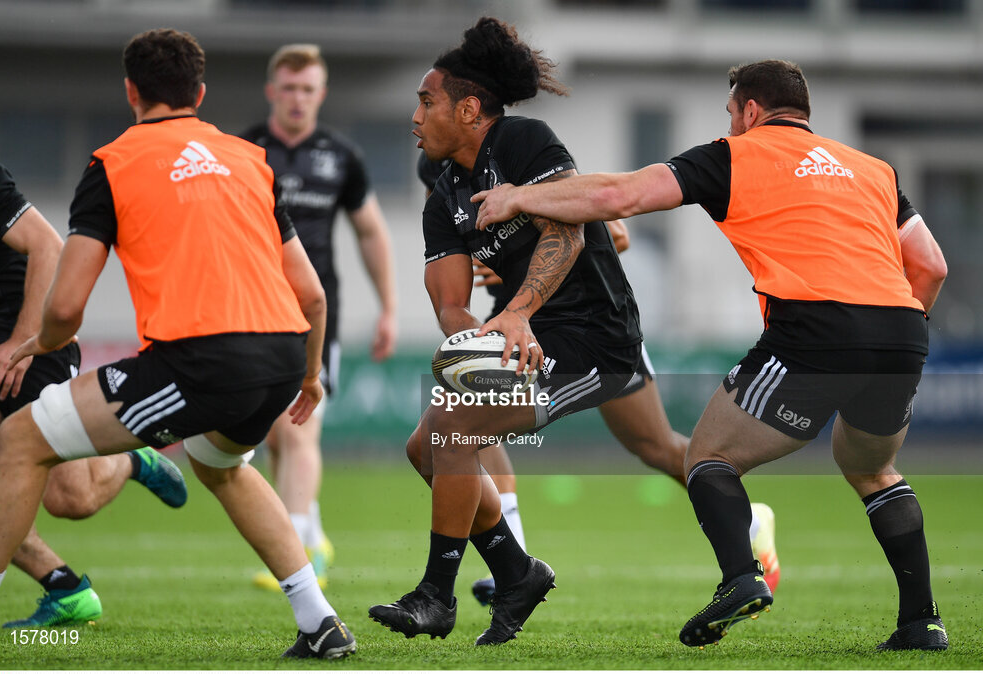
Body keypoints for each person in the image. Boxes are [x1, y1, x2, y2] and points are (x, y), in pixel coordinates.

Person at [473, 59, 948, 651]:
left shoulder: (734, 154)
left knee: (708, 457)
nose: (730, 122)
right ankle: (921, 622)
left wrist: (520, 196)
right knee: (873, 470)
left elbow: (620, 193)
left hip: (815, 327)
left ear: (750, 110)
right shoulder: (873, 170)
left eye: (731, 112)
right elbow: (930, 265)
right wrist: (891, 334)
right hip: (904, 331)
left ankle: (741, 579)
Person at [0, 29, 356, 664]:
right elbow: (311, 294)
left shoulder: (112, 162)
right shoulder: (250, 158)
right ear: (199, 93)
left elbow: (64, 308)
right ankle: (321, 620)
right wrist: (310, 376)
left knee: (21, 442)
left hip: (198, 361)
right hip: (283, 355)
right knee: (223, 467)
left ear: (130, 91)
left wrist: (29, 346)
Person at [368, 17, 644, 647]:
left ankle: (436, 596)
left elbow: (567, 230)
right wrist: (477, 337)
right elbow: (449, 306)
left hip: (597, 342)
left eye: (425, 101)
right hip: (533, 338)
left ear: (469, 109)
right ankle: (517, 574)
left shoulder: (525, 140)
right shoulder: (444, 195)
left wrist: (516, 311)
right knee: (425, 447)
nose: (415, 115)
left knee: (457, 432)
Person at [418, 155, 781, 607]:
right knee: (466, 423)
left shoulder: (524, 175)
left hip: (590, 332)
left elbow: (618, 236)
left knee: (655, 446)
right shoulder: (451, 213)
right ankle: (512, 563)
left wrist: (529, 259)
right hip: (522, 331)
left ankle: (749, 522)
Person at [0, 144, 188, 629]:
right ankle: (65, 587)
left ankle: (130, 460)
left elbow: (49, 246)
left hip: (25, 341)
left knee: (70, 500)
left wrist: (24, 340)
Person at [239, 44, 398, 590]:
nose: (298, 98)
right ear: (272, 92)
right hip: (252, 308)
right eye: (289, 88)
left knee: (297, 428)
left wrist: (389, 308)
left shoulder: (342, 155)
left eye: (308, 89)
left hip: (312, 314)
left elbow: (370, 231)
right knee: (277, 437)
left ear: (321, 94)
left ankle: (296, 549)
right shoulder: (243, 150)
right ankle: (315, 535)